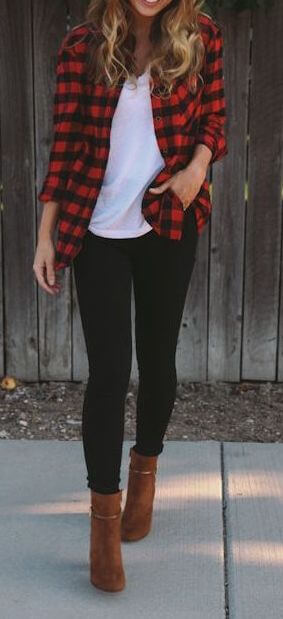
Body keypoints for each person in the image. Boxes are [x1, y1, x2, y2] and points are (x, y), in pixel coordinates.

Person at [33, 0, 228, 593]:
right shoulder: (81, 47)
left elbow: (215, 122)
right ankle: (103, 524)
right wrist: (45, 234)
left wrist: (197, 167)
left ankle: (145, 469)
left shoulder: (202, 36)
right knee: (109, 372)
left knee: (160, 362)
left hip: (170, 219)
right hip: (98, 232)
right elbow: (65, 145)